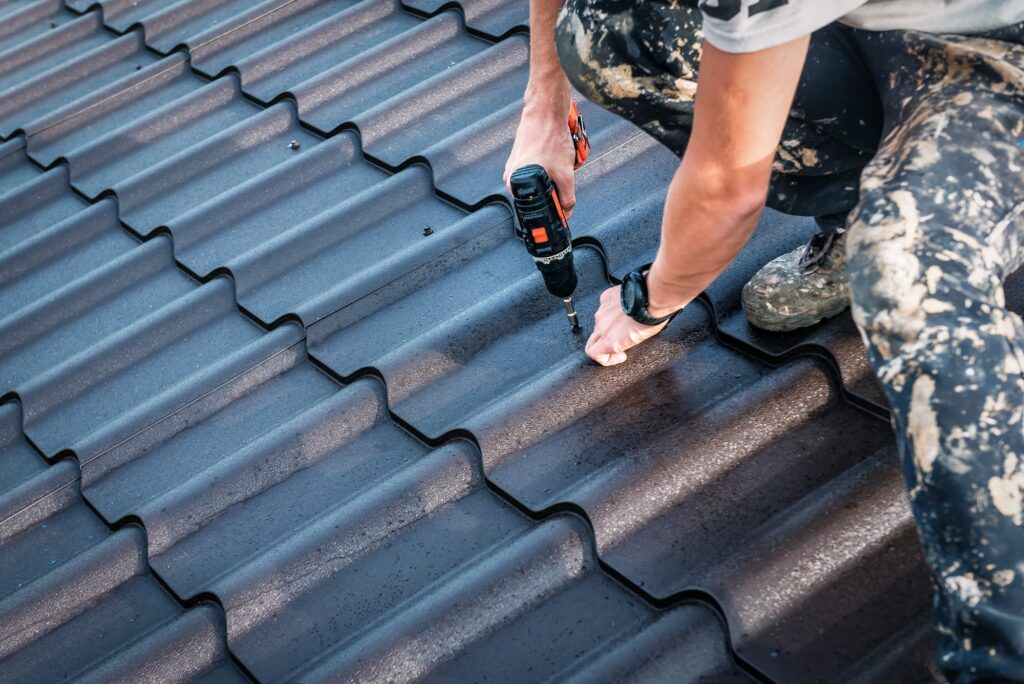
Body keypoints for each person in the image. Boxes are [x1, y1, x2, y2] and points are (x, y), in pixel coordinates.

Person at [504, 1, 1024, 681]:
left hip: (999, 50)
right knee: (605, 30)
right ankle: (861, 200)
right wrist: (545, 99)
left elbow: (727, 184)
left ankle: (1003, 658)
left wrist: (652, 298)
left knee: (905, 264)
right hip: (882, 28)